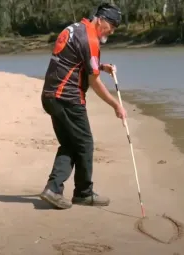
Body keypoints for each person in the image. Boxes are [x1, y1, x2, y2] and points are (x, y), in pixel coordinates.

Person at [39, 2, 126, 209]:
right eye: (112, 25)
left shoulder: (75, 29)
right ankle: (83, 193)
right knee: (85, 144)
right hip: (67, 99)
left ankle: (53, 189)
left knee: (70, 144)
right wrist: (116, 105)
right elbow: (94, 82)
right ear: (101, 19)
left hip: (51, 96)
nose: (112, 31)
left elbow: (75, 61)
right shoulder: (90, 39)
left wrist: (101, 67)